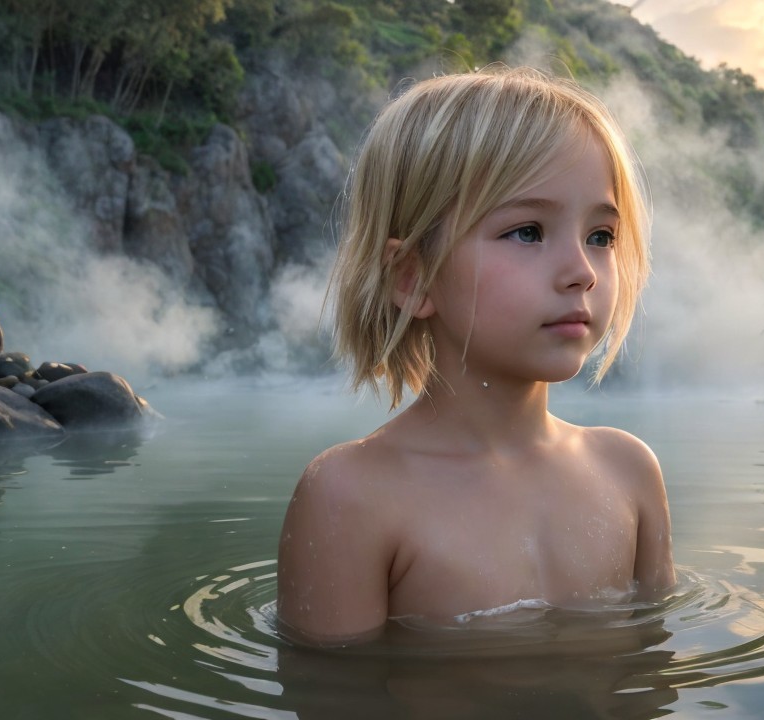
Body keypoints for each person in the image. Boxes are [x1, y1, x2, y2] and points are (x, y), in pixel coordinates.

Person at [276, 66, 675, 646]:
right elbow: (331, 697)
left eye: (601, 236)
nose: (582, 272)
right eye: (529, 232)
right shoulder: (352, 496)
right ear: (413, 278)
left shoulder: (628, 471)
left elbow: (651, 676)